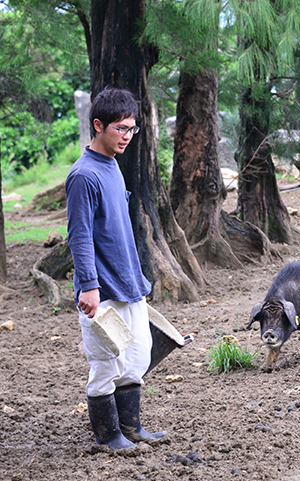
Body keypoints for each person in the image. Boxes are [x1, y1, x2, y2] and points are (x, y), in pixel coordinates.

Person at [66, 87, 164, 450]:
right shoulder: (83, 176)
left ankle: (132, 428)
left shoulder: (112, 166)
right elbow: (79, 236)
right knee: (106, 363)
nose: (127, 136)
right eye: (120, 129)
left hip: (129, 284)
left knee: (136, 357)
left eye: (132, 129)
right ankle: (107, 436)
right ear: (98, 125)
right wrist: (88, 285)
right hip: (102, 290)